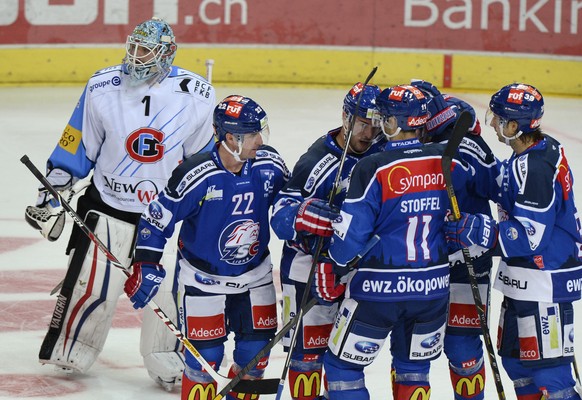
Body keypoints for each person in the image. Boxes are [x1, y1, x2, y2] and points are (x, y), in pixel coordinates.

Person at [24, 17, 216, 391]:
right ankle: (73, 344)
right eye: (134, 47)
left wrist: (208, 206)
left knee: (166, 294)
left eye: (146, 50)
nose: (136, 57)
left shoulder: (196, 95)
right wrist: (53, 190)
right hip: (108, 207)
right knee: (91, 285)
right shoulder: (102, 86)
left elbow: (203, 162)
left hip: (164, 218)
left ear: (167, 54)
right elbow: (77, 143)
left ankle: (168, 359)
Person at [313, 84, 486, 400]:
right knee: (413, 372)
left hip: (378, 291)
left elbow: (350, 239)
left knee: (343, 370)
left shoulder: (373, 166)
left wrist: (334, 265)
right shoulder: (448, 162)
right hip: (433, 291)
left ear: (391, 123)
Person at [123, 95, 291, 400]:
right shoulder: (196, 173)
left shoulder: (269, 164)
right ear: (230, 137)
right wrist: (145, 263)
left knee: (256, 354)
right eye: (253, 134)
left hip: (255, 275)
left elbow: (289, 203)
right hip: (202, 279)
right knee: (205, 360)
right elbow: (157, 218)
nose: (260, 140)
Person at [446, 83, 582, 400]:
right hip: (524, 279)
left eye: (498, 118)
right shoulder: (529, 155)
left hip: (544, 281)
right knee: (517, 363)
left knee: (551, 376)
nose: (492, 123)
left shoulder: (536, 167)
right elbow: (502, 187)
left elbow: (530, 237)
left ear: (513, 126)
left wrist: (480, 229)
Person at [270, 82, 385, 400]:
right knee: (307, 356)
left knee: (346, 355)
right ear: (346, 117)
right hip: (307, 270)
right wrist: (301, 215)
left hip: (354, 268)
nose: (369, 133)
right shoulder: (315, 162)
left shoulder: (383, 152)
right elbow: (280, 217)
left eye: (376, 124)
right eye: (363, 122)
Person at [410, 80, 499, 400]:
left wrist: (490, 233)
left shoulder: (468, 147)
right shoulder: (399, 144)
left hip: (467, 265)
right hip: (416, 271)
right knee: (411, 355)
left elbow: (504, 193)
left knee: (463, 350)